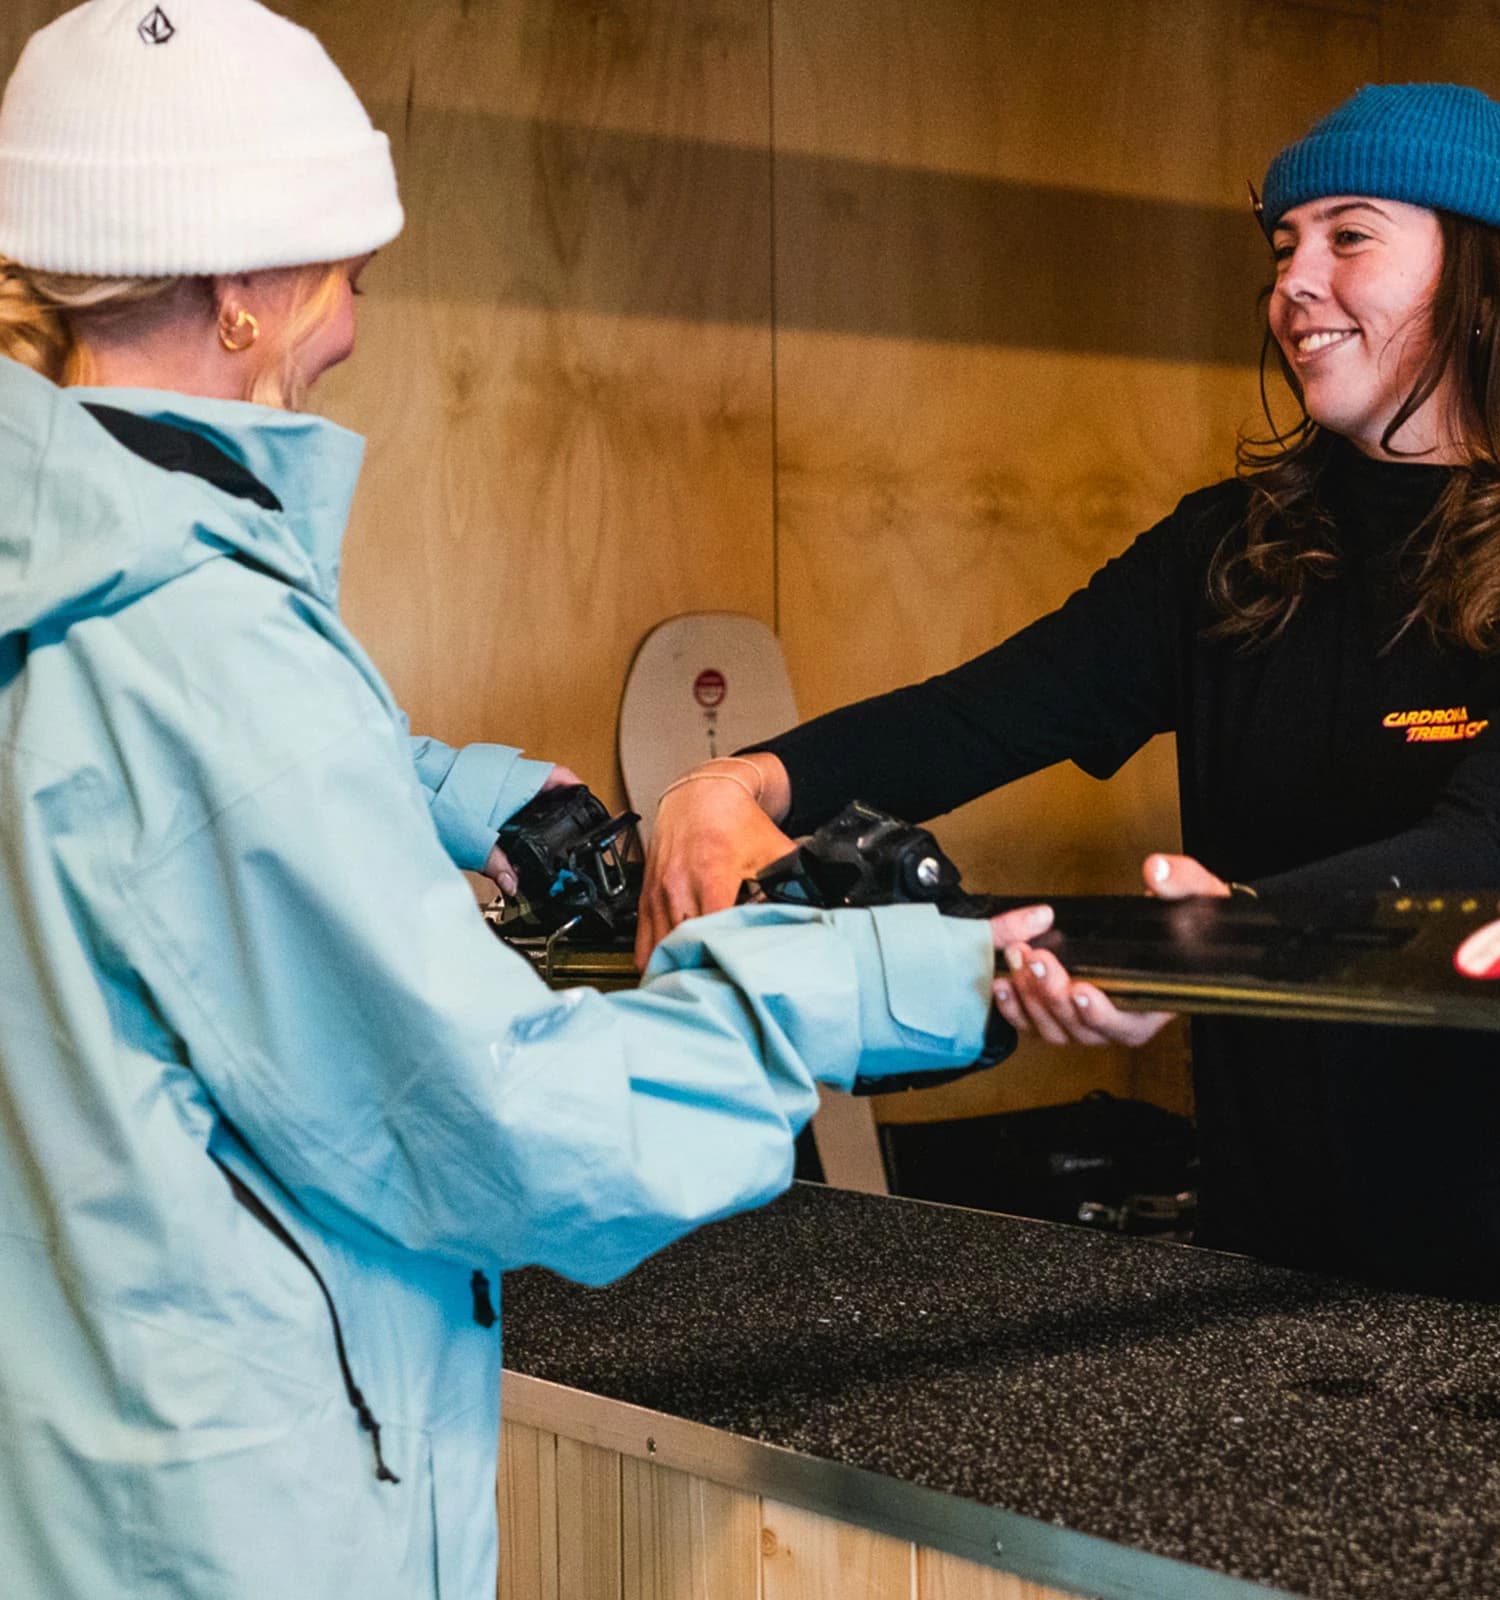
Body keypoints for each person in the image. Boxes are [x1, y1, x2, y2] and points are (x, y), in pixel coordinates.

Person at [0, 3, 1049, 1596]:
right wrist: (861, 987)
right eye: (349, 274)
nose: (349, 324)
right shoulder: (200, 640)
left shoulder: (67, 587)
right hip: (243, 1540)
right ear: (237, 294)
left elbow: (163, 818)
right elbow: (505, 1130)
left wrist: (442, 791)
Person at [642, 82, 1500, 1313]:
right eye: (1283, 245)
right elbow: (975, 714)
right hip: (1268, 1263)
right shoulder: (1232, 549)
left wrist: (1213, 944)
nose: (1292, 284)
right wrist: (730, 784)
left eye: (1349, 236)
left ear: (1485, 281)